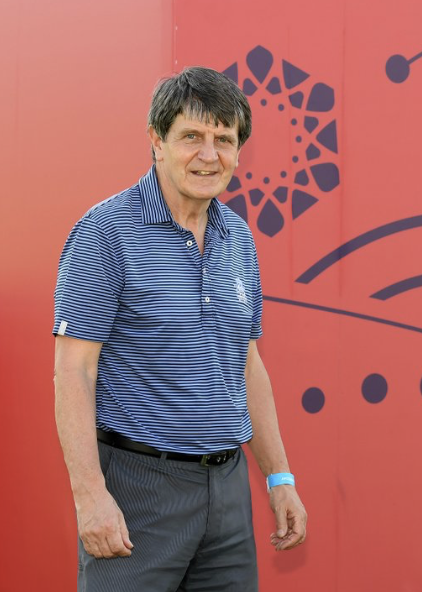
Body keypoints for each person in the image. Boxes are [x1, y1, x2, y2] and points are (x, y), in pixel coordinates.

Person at [53, 66, 307, 591]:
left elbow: (247, 364)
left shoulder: (237, 236)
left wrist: (278, 476)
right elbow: (73, 370)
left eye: (224, 140)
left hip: (228, 493)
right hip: (139, 492)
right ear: (157, 141)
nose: (209, 155)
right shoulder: (105, 232)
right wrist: (90, 495)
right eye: (192, 137)